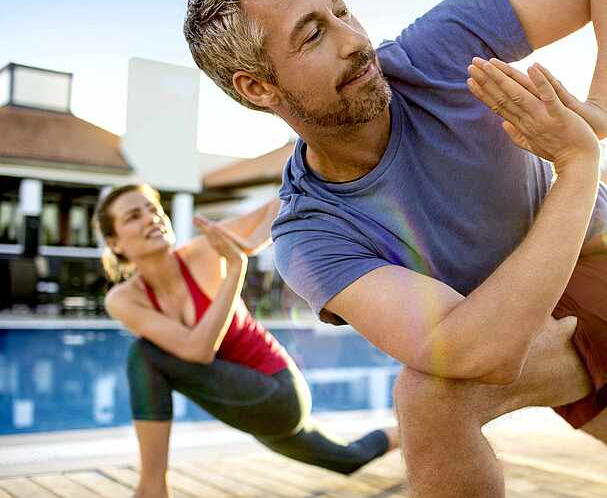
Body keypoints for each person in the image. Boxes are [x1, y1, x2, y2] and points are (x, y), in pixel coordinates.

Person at [183, 0, 607, 497]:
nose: (354, 41)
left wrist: (599, 118)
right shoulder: (309, 234)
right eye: (313, 34)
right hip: (517, 319)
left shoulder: (434, 53)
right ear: (258, 87)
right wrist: (576, 168)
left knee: (430, 402)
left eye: (341, 9)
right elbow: (477, 351)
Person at [94, 185, 397, 498]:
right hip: (248, 402)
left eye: (153, 208)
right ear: (114, 242)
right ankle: (405, 435)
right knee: (349, 458)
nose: (151, 218)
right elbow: (195, 350)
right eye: (134, 216)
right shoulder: (125, 299)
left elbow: (279, 205)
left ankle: (151, 489)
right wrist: (235, 266)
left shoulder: (205, 250)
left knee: (144, 354)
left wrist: (240, 259)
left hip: (278, 393)